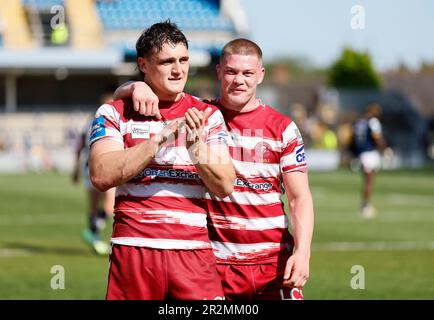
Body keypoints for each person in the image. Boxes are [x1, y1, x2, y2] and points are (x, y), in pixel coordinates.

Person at [114, 38, 314, 300]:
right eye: (231, 71)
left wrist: (303, 252)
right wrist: (136, 86)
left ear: (261, 75)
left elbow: (299, 198)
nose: (239, 80)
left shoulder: (282, 128)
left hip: (273, 265)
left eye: (248, 73)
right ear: (219, 71)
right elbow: (124, 97)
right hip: (215, 267)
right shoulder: (201, 114)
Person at [88, 21, 235, 300]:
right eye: (167, 61)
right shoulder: (114, 112)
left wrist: (196, 147)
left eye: (184, 60)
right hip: (134, 252)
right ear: (143, 65)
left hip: (193, 254)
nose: (178, 69)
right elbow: (100, 175)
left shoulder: (207, 115)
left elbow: (225, 184)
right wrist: (156, 141)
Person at [72, 94, 115, 255]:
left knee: (107, 205)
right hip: (91, 167)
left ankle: (94, 232)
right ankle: (95, 235)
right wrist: (75, 169)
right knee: (96, 205)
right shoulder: (93, 122)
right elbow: (80, 147)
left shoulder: (114, 121)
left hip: (105, 166)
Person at [351, 103, 390, 218]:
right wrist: (386, 148)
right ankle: (366, 205)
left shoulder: (359, 122)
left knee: (367, 180)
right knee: (369, 180)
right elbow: (376, 137)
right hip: (370, 153)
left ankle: (366, 204)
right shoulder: (373, 122)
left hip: (362, 153)